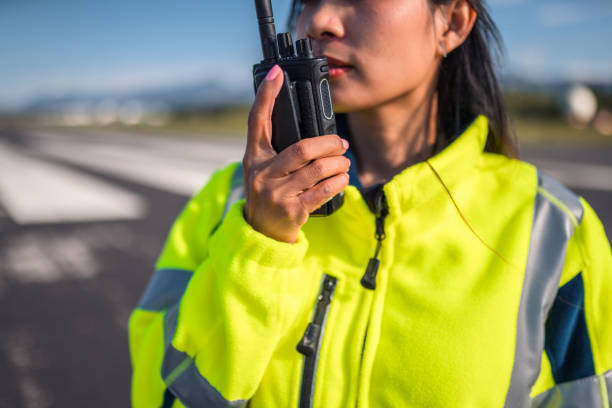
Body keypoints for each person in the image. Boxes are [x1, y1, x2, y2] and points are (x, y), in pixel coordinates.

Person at [128, 0, 612, 406]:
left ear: (453, 23)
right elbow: (156, 394)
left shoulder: (554, 227)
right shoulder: (229, 202)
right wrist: (257, 246)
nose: (319, 21)